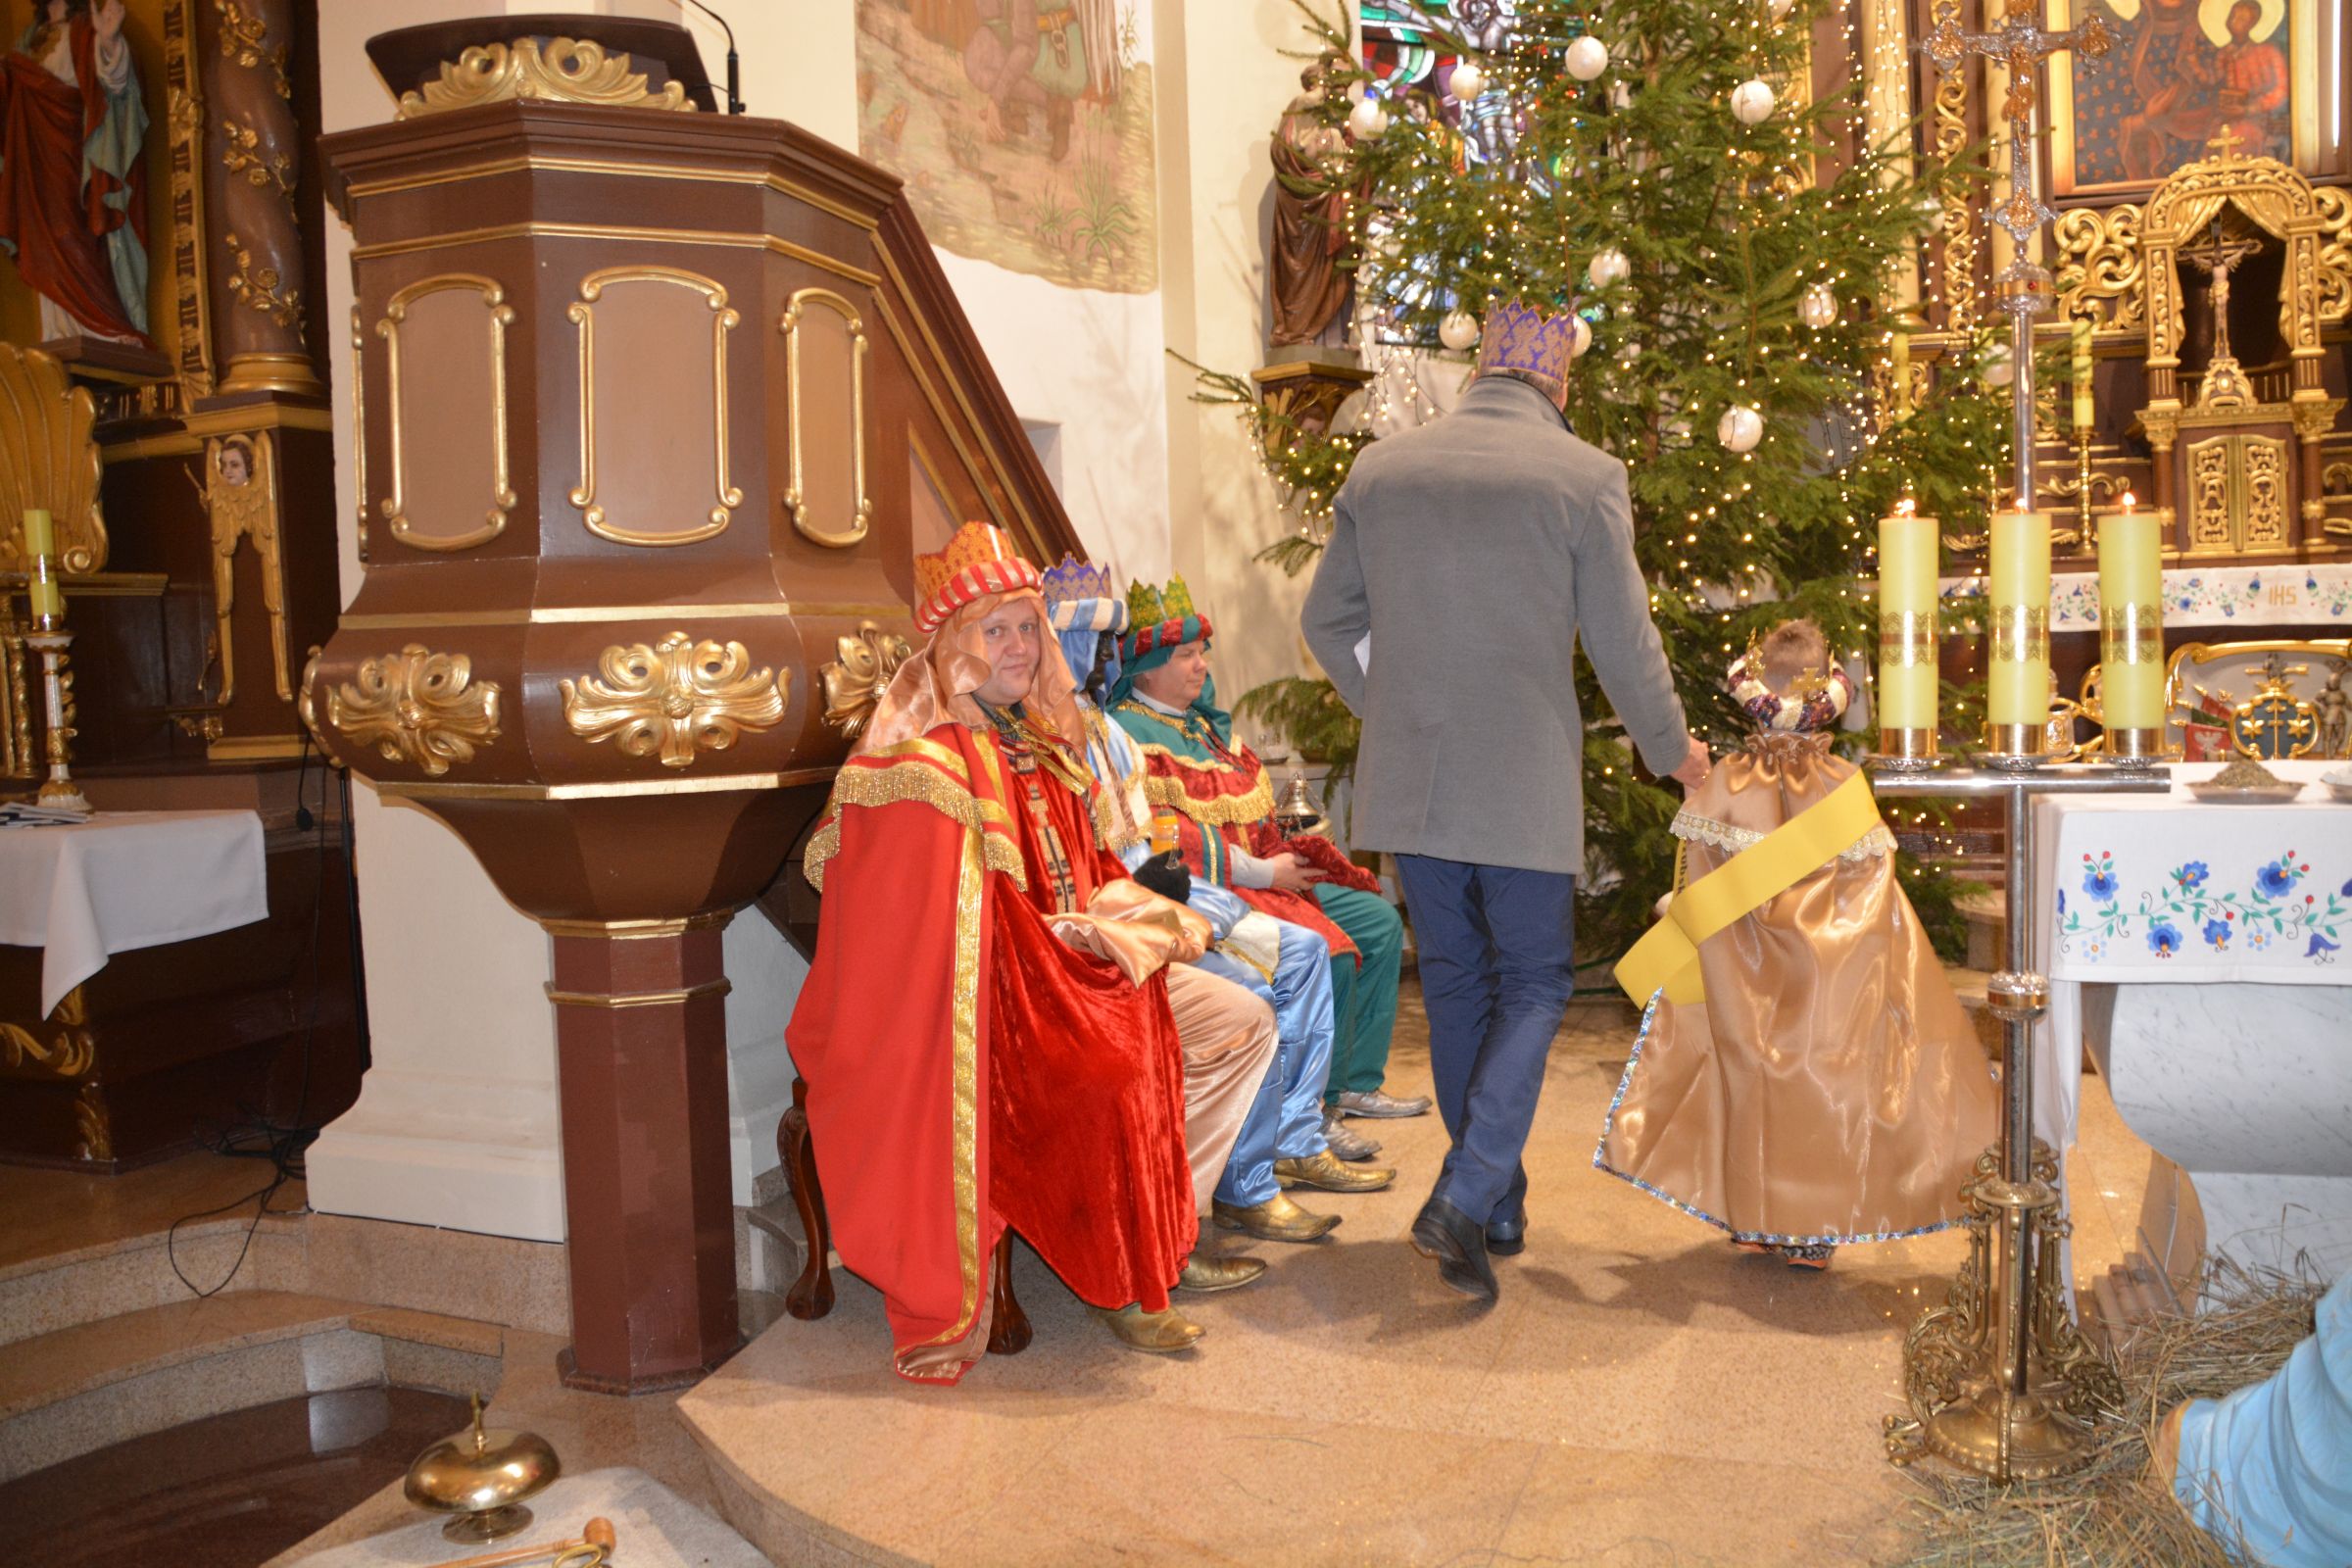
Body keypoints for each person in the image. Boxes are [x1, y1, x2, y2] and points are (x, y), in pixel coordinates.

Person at [788, 522, 1277, 1380]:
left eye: (1027, 627)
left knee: (1240, 1020)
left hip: (1070, 968)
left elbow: (1090, 871)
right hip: (973, 1009)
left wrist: (1141, 921)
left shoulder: (1039, 742)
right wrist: (1084, 962)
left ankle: (1165, 1235)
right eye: (997, 630)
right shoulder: (922, 765)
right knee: (1116, 1063)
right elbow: (942, 939)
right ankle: (1125, 1285)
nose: (1020, 647)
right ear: (954, 644)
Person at [1301, 297, 1708, 1304]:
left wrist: (1392, 708)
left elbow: (1327, 622)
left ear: (1480, 368)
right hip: (1522, 775)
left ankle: (1496, 1201)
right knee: (1532, 983)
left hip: (1415, 779)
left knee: (1455, 984)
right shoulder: (1584, 475)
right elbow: (1623, 642)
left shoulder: (1381, 470)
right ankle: (1467, 1189)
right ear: (1559, 380)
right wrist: (1674, 751)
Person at [1595, 620, 1996, 1269]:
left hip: (1741, 973)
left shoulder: (1725, 785)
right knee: (1820, 1072)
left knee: (1747, 1065)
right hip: (1828, 973)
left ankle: (1751, 1214)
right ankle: (1811, 1225)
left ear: (1752, 691)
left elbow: (1698, 880)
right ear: (1829, 695)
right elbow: (1871, 896)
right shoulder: (1841, 785)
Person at [1042, 556, 1384, 1248]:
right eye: (1084, 642)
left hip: (1163, 893)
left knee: (1304, 950)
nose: (1097, 657)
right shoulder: (1067, 734)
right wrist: (1225, 891)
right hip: (1116, 916)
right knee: (1254, 988)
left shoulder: (1107, 733)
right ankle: (1239, 1184)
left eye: (1102, 643)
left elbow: (1147, 844)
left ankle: (1294, 1141)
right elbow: (1118, 859)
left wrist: (1220, 895)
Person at [1108, 576, 1426, 1152]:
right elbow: (1165, 838)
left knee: (1379, 924)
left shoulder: (1207, 728)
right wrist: (1265, 873)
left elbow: (1255, 817)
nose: (1201, 665)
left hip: (1268, 878)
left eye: (1202, 652)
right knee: (1330, 948)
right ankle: (1316, 1110)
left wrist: (1290, 850)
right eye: (1186, 655)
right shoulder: (1128, 736)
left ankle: (1357, 1082)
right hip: (1213, 891)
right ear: (1147, 667)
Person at [0, 0, 150, 344]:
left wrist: (109, 42)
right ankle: (59, 333)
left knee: (74, 234)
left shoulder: (84, 30)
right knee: (43, 244)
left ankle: (103, 326)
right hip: (34, 167)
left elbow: (116, 88)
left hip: (74, 159)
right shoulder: (28, 42)